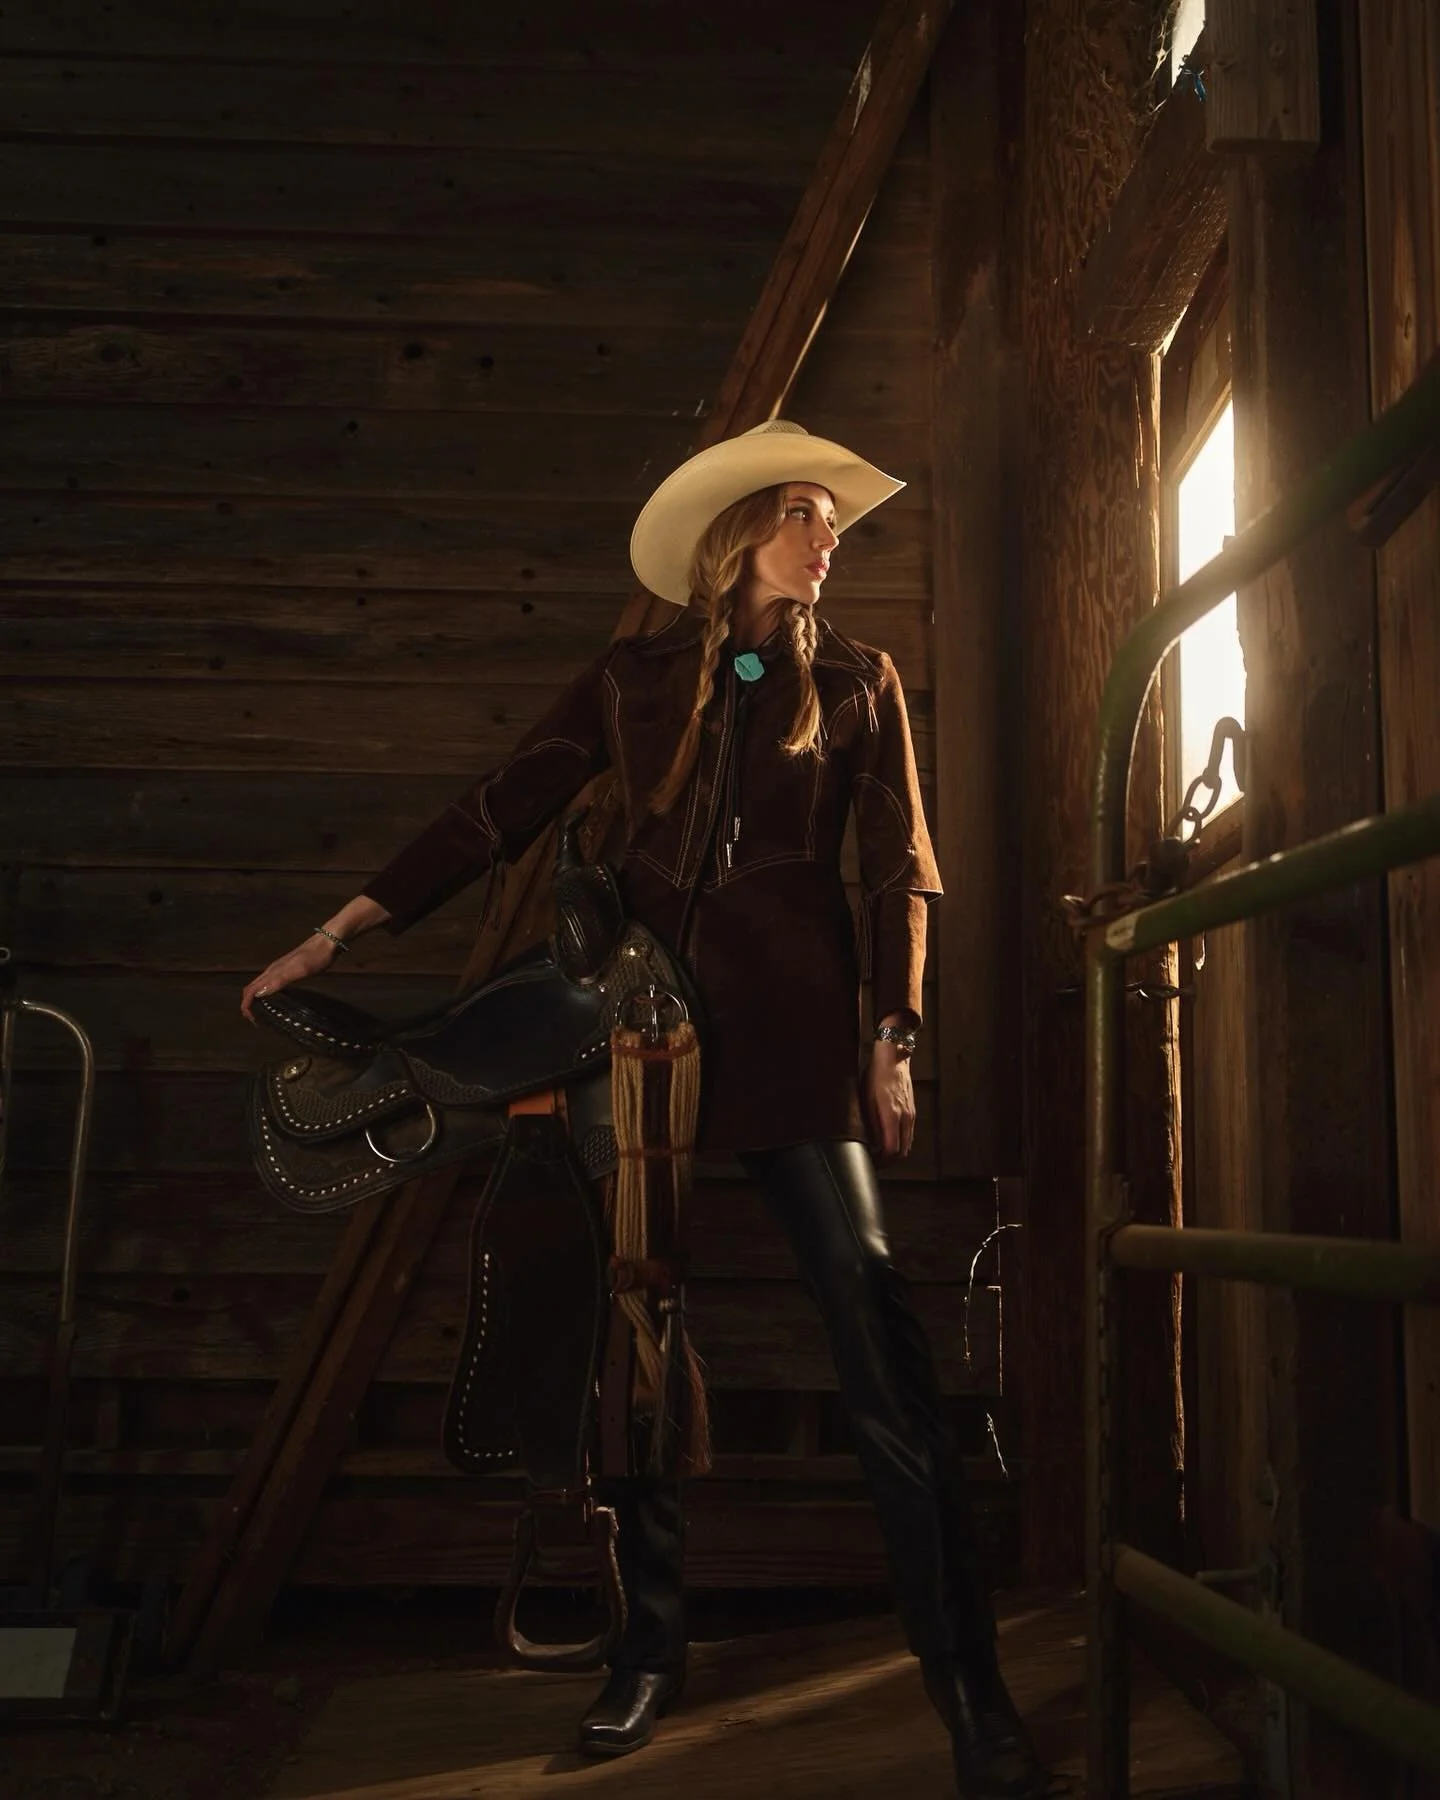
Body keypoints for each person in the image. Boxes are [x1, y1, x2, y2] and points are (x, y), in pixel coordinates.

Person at [241, 421, 1049, 1798]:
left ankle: (971, 1697)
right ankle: (648, 1655)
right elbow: (501, 805)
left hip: (799, 1044)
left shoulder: (858, 677)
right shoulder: (634, 680)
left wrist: (896, 1036)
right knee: (633, 1336)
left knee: (881, 1350)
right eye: (799, 513)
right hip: (643, 1035)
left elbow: (898, 868)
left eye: (830, 519)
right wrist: (340, 932)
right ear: (737, 535)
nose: (825, 534)